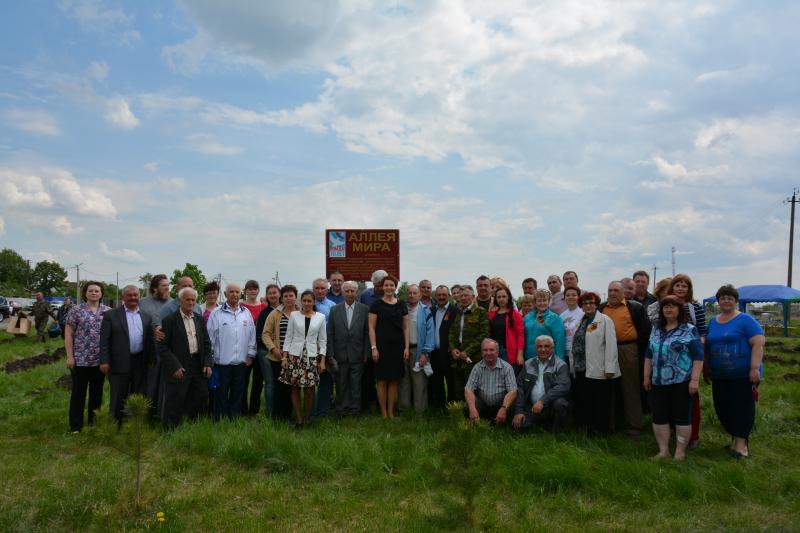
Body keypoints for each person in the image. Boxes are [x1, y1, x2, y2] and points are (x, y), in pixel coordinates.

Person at [706, 284, 765, 459]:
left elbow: (758, 342)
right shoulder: (713, 321)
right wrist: (707, 368)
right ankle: (735, 440)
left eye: (730, 298)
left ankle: (741, 445)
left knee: (741, 408)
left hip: (742, 374)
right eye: (723, 298)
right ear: (718, 301)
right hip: (720, 375)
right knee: (723, 408)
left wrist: (754, 368)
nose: (726, 300)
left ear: (736, 301)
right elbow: (709, 345)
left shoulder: (745, 319)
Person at [644, 295, 704, 460]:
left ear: (679, 310)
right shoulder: (656, 329)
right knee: (659, 416)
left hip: (682, 381)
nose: (668, 309)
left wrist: (694, 380)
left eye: (672, 306)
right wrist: (646, 377)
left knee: (682, 416)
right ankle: (663, 451)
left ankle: (680, 451)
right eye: (665, 307)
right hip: (658, 381)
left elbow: (699, 356)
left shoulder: (689, 329)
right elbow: (649, 354)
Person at [99, 285, 156, 426]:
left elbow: (150, 340)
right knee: (118, 395)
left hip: (140, 361)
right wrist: (104, 361)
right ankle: (116, 425)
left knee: (138, 393)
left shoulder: (146, 317)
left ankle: (134, 424)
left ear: (139, 297)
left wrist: (151, 358)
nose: (133, 298)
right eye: (129, 295)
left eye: (135, 295)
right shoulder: (111, 315)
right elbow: (104, 341)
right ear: (123, 297)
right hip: (118, 362)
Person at [600, 281, 651, 436]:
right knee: (608, 389)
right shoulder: (601, 308)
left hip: (628, 349)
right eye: (610, 290)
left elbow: (645, 331)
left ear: (623, 292)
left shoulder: (634, 307)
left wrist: (636, 351)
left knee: (630, 388)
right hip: (606, 349)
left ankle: (634, 426)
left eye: (616, 290)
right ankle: (609, 425)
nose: (612, 293)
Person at [159, 287, 213, 429]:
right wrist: (174, 366)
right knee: (175, 398)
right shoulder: (169, 320)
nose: (190, 303)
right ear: (179, 300)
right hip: (179, 364)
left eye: (193, 300)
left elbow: (207, 343)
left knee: (200, 396)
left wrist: (207, 363)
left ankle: (192, 426)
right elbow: (163, 347)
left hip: (198, 363)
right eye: (187, 299)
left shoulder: (200, 319)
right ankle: (171, 430)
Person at [569, 292, 619, 434]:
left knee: (600, 402)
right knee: (585, 400)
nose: (588, 305)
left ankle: (601, 431)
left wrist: (610, 368)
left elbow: (611, 345)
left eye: (591, 302)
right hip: (580, 368)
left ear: (597, 304)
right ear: (581, 306)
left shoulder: (604, 320)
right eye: (585, 303)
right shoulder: (580, 321)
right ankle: (587, 428)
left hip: (599, 368)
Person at [65, 281, 110, 433]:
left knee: (97, 394)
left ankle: (93, 423)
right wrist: (70, 357)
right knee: (78, 393)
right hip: (80, 359)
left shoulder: (108, 312)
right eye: (91, 291)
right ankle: (76, 426)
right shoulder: (76, 311)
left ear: (101, 293)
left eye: (97, 291)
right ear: (85, 293)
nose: (94, 293)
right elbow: (69, 335)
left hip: (100, 361)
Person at [207, 283, 256, 421]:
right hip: (221, 362)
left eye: (237, 292)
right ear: (225, 293)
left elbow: (252, 335)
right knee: (221, 391)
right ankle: (220, 418)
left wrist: (250, 354)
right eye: (231, 291)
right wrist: (211, 359)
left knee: (238, 391)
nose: (234, 294)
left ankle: (234, 417)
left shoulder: (246, 313)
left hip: (241, 361)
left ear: (241, 294)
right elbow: (209, 338)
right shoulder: (216, 313)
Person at [669, 274, 707, 448]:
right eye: (678, 285)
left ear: (689, 289)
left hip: (689, 358)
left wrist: (698, 353)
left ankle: (693, 436)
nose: (681, 288)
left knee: (691, 397)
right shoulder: (665, 304)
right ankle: (672, 433)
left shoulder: (695, 307)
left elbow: (702, 332)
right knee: (670, 397)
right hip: (668, 359)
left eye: (685, 286)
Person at [280, 290, 327, 428]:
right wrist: (284, 357)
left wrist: (322, 361)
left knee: (309, 390)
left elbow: (323, 341)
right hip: (295, 356)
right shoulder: (294, 316)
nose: (306, 303)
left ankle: (307, 418)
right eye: (304, 300)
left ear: (313, 302)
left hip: (311, 357)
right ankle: (299, 419)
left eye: (309, 301)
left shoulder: (320, 317)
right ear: (301, 301)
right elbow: (288, 337)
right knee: (294, 388)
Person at [326, 281, 370, 417]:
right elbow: (330, 333)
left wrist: (366, 353)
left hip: (358, 354)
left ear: (356, 293)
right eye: (347, 291)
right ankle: (341, 409)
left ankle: (355, 410)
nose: (350, 294)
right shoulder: (334, 310)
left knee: (356, 384)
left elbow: (367, 333)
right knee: (341, 384)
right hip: (340, 354)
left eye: (353, 291)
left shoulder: (364, 309)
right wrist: (331, 353)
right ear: (343, 292)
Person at [368, 276, 409, 419]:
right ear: (382, 287)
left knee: (394, 380)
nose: (389, 287)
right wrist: (374, 347)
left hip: (397, 348)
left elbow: (405, 328)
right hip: (381, 348)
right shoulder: (376, 305)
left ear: (395, 287)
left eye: (392, 285)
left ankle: (391, 412)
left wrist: (407, 348)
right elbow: (371, 328)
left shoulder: (402, 304)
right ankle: (383, 412)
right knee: (382, 381)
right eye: (386, 285)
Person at [512, 335, 571, 433]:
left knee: (560, 403)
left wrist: (542, 401)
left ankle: (557, 433)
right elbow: (520, 388)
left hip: (550, 406)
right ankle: (540, 423)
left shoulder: (560, 365)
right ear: (536, 348)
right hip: (532, 406)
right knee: (520, 427)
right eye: (539, 346)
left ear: (552, 348)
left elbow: (563, 386)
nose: (543, 349)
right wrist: (519, 411)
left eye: (546, 346)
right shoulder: (528, 364)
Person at [262, 285, 299, 421]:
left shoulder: (301, 312)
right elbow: (265, 334)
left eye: (291, 295)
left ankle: (290, 416)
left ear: (296, 297)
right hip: (277, 357)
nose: (288, 298)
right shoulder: (275, 314)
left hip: (296, 357)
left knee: (292, 388)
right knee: (280, 387)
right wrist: (274, 349)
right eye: (286, 296)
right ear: (281, 298)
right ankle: (278, 418)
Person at [447, 285, 489, 402]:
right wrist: (453, 349)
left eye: (466, 295)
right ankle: (460, 416)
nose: (463, 298)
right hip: (457, 356)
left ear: (473, 297)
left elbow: (483, 335)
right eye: (461, 296)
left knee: (473, 389)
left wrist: (467, 351)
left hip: (473, 358)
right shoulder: (458, 312)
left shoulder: (480, 312)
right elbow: (451, 332)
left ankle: (475, 416)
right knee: (458, 389)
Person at [464, 339, 518, 425]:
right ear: (482, 352)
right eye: (485, 350)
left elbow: (513, 391)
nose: (488, 353)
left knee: (512, 404)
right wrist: (472, 408)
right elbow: (468, 389)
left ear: (497, 352)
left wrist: (504, 408)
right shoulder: (477, 368)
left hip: (500, 404)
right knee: (468, 405)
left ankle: (502, 422)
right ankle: (477, 420)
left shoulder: (507, 367)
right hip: (483, 404)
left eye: (491, 350)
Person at [399, 284, 434, 415]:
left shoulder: (426, 311)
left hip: (419, 350)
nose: (412, 295)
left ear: (420, 295)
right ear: (406, 294)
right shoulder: (402, 309)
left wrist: (426, 353)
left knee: (419, 382)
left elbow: (430, 334)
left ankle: (420, 412)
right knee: (403, 381)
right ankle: (404, 410)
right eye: (410, 293)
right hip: (403, 350)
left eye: (415, 293)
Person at [139, 274, 171, 417]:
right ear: (154, 288)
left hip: (167, 350)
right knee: (149, 383)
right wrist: (153, 330)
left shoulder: (172, 303)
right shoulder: (142, 303)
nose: (167, 288)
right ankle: (146, 413)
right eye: (164, 286)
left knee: (164, 384)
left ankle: (161, 413)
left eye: (168, 285)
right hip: (148, 351)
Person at [241, 280, 268, 416]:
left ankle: (254, 410)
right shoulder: (240, 306)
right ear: (245, 291)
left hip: (261, 349)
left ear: (258, 291)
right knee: (243, 381)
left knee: (258, 381)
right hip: (243, 349)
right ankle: (242, 409)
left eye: (255, 288)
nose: (252, 291)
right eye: (249, 289)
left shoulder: (264, 307)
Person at [254, 283, 281, 417]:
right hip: (266, 351)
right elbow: (260, 335)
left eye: (274, 292)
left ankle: (281, 410)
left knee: (281, 382)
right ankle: (270, 412)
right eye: (270, 293)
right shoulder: (264, 313)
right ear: (267, 296)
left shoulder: (287, 310)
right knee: (270, 382)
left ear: (279, 294)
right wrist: (272, 347)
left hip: (283, 353)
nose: (272, 295)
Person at [429, 285, 456, 411]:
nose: (441, 297)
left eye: (444, 295)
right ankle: (439, 407)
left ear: (449, 296)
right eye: (439, 295)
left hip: (448, 352)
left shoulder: (454, 310)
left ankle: (451, 407)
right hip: (435, 352)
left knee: (450, 381)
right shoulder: (432, 310)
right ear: (435, 296)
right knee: (437, 380)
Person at [523, 289, 566, 362]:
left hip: (547, 358)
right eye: (539, 301)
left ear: (549, 302)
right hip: (529, 358)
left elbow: (559, 341)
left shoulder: (555, 318)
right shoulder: (528, 317)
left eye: (544, 300)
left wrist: (560, 361)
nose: (542, 303)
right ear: (535, 302)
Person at [488, 285, 524, 373]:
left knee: (509, 380)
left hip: (508, 352)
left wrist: (520, 354)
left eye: (504, 296)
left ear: (508, 298)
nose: (501, 299)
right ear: (495, 299)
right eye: (499, 297)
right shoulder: (491, 314)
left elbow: (520, 335)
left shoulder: (515, 314)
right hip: (493, 351)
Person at [560, 287, 585, 361]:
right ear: (564, 298)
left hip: (580, 353)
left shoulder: (583, 313)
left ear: (578, 297)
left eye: (574, 295)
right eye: (567, 295)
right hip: (565, 353)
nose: (570, 297)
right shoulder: (561, 316)